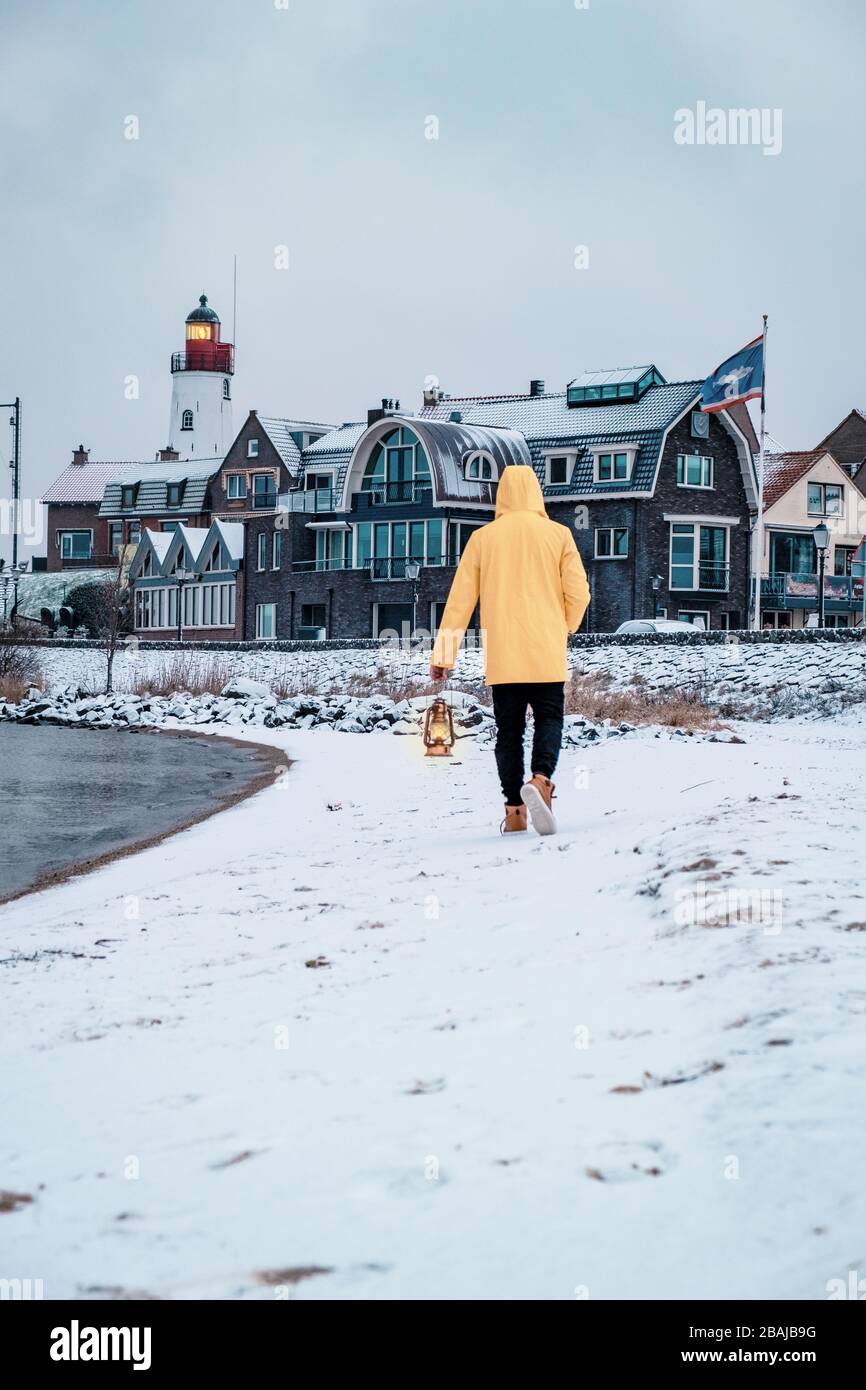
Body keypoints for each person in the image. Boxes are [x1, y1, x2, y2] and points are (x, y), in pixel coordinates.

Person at [430, 464, 590, 835]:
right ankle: (540, 780)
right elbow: (579, 592)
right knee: (549, 721)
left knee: (509, 733)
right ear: (536, 493)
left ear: (501, 495)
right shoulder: (558, 535)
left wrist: (443, 655)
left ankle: (515, 811)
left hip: (504, 659)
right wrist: (565, 625)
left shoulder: (483, 539)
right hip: (546, 653)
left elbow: (460, 602)